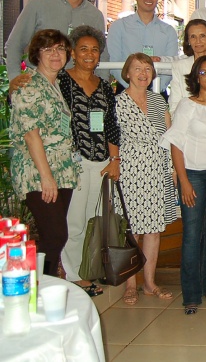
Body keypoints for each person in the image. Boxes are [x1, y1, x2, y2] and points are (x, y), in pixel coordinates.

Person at [161, 55, 206, 315]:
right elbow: (176, 143)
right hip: (193, 175)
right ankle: (190, 295)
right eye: (205, 73)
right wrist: (183, 180)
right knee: (192, 234)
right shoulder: (187, 105)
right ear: (196, 76)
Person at [10, 30, 79, 277]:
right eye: (48, 49)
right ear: (36, 54)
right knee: (54, 235)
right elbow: (31, 134)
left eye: (60, 49)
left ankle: (45, 286)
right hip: (37, 171)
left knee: (56, 237)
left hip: (62, 169)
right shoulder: (28, 85)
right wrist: (46, 177)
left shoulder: (56, 84)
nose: (55, 54)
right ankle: (33, 285)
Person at [59, 26, 120, 297]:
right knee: (74, 221)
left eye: (94, 49)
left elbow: (111, 126)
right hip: (73, 162)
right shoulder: (60, 81)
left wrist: (114, 159)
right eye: (83, 48)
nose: (89, 54)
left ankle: (83, 270)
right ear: (72, 52)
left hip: (100, 163)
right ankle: (72, 275)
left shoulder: (105, 87)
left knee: (90, 219)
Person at [116, 53, 176, 305]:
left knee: (153, 230)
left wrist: (172, 167)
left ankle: (150, 283)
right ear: (127, 73)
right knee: (131, 230)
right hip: (130, 171)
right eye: (137, 69)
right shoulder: (118, 102)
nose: (143, 73)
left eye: (147, 69)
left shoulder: (158, 101)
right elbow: (113, 140)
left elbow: (169, 134)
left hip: (157, 169)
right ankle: (131, 284)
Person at [6, 0, 107, 79]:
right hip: (41, 85)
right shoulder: (37, 4)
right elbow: (14, 44)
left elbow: (102, 54)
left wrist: (102, 86)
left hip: (78, 88)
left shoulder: (95, 16)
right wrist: (14, 77)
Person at [107, 0, 179, 93]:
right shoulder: (119, 26)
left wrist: (156, 90)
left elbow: (172, 66)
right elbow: (114, 62)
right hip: (126, 91)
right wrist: (132, 88)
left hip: (157, 92)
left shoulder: (169, 31)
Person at [168, 19, 206, 115]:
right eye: (193, 37)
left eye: (202, 36)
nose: (198, 41)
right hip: (187, 120)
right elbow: (174, 105)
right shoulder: (179, 66)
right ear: (188, 41)